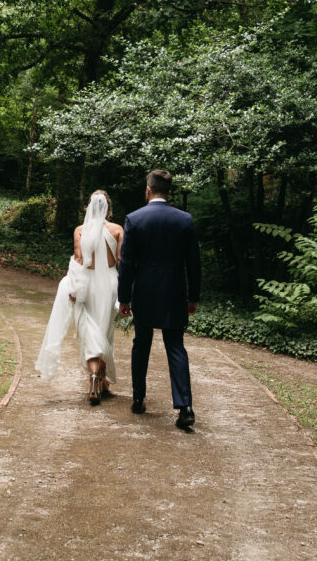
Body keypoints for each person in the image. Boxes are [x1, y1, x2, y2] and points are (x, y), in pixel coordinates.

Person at [117, 169, 201, 430]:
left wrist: (124, 298)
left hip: (144, 292)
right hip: (174, 293)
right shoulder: (184, 219)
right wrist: (193, 296)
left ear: (148, 190)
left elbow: (127, 263)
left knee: (141, 345)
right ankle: (185, 406)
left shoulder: (135, 219)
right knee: (175, 347)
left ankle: (139, 398)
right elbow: (193, 263)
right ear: (170, 192)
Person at [35, 190, 124, 405]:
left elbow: (78, 260)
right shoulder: (117, 230)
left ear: (89, 207)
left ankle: (95, 378)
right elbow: (122, 260)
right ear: (108, 208)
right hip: (110, 284)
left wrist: (73, 287)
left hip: (87, 285)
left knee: (89, 331)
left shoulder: (80, 231)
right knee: (105, 332)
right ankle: (101, 382)